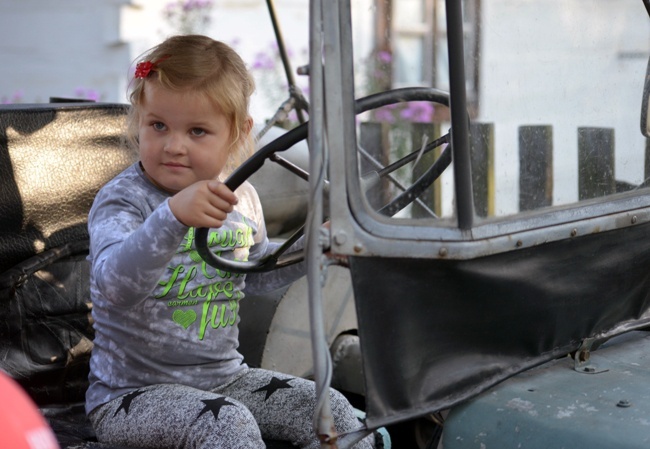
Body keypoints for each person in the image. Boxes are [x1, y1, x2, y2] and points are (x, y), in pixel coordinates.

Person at [85, 35, 373, 449]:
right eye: (158, 125)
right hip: (130, 397)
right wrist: (172, 217)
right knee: (226, 424)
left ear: (237, 133)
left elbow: (254, 275)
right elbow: (114, 286)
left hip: (225, 379)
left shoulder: (241, 198)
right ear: (139, 121)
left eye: (198, 131)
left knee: (334, 410)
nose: (174, 145)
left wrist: (314, 246)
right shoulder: (124, 199)